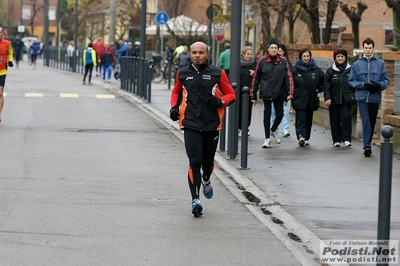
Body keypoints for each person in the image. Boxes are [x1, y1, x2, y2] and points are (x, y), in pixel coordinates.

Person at [169, 41, 236, 216]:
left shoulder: (217, 73)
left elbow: (231, 94)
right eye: (194, 52)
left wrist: (220, 101)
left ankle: (206, 178)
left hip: (212, 124)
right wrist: (174, 109)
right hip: (190, 123)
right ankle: (195, 200)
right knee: (194, 161)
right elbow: (176, 92)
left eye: (201, 52)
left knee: (207, 163)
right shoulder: (182, 73)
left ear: (207, 54)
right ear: (189, 54)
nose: (197, 55)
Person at [348, 37, 389, 157]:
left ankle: (368, 142)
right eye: (366, 48)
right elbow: (351, 81)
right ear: (363, 48)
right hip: (362, 98)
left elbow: (386, 80)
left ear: (373, 48)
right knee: (365, 120)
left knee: (371, 121)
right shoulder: (357, 64)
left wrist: (378, 86)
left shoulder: (380, 64)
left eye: (370, 48)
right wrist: (363, 85)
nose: (368, 50)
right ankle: (366, 146)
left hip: (374, 98)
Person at [251, 38, 293, 148]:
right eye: (272, 48)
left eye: (276, 48)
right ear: (268, 49)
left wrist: (289, 92)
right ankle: (267, 139)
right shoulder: (262, 61)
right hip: (266, 93)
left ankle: (273, 129)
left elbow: (288, 77)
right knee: (267, 114)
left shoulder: (283, 62)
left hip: (279, 93)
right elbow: (256, 78)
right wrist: (253, 94)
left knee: (280, 115)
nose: (274, 50)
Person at [291, 48, 325, 147]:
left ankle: (306, 137)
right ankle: (301, 136)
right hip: (299, 97)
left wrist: (319, 88)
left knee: (308, 119)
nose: (306, 58)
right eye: (304, 56)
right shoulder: (295, 69)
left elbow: (323, 80)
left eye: (308, 56)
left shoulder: (316, 69)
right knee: (300, 118)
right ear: (300, 57)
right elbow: (289, 82)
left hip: (311, 98)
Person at [324, 48, 354, 148]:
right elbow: (326, 86)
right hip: (333, 100)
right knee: (335, 119)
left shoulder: (351, 70)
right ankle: (336, 140)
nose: (340, 58)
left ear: (345, 57)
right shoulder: (330, 71)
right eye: (338, 56)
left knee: (346, 118)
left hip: (346, 99)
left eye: (342, 56)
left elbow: (354, 84)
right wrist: (327, 98)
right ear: (335, 58)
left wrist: (353, 96)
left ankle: (346, 139)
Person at [271, 44, 293, 137]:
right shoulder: (271, 62)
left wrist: (289, 92)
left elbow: (289, 78)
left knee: (285, 111)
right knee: (274, 112)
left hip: (284, 91)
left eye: (280, 50)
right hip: (273, 92)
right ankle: (274, 128)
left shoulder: (287, 63)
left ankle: (285, 129)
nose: (278, 52)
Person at [239, 46, 256, 136]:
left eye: (250, 54)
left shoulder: (254, 64)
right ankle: (238, 126)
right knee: (239, 109)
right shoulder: (238, 63)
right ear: (243, 54)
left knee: (248, 110)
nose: (249, 56)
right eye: (248, 54)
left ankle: (245, 127)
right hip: (239, 91)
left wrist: (254, 74)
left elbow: (259, 75)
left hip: (249, 91)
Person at [0, 27, 13, 122]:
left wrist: (10, 61)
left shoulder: (6, 43)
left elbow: (10, 53)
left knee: (0, 93)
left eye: (0, 32)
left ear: (2, 33)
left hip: (2, 71)